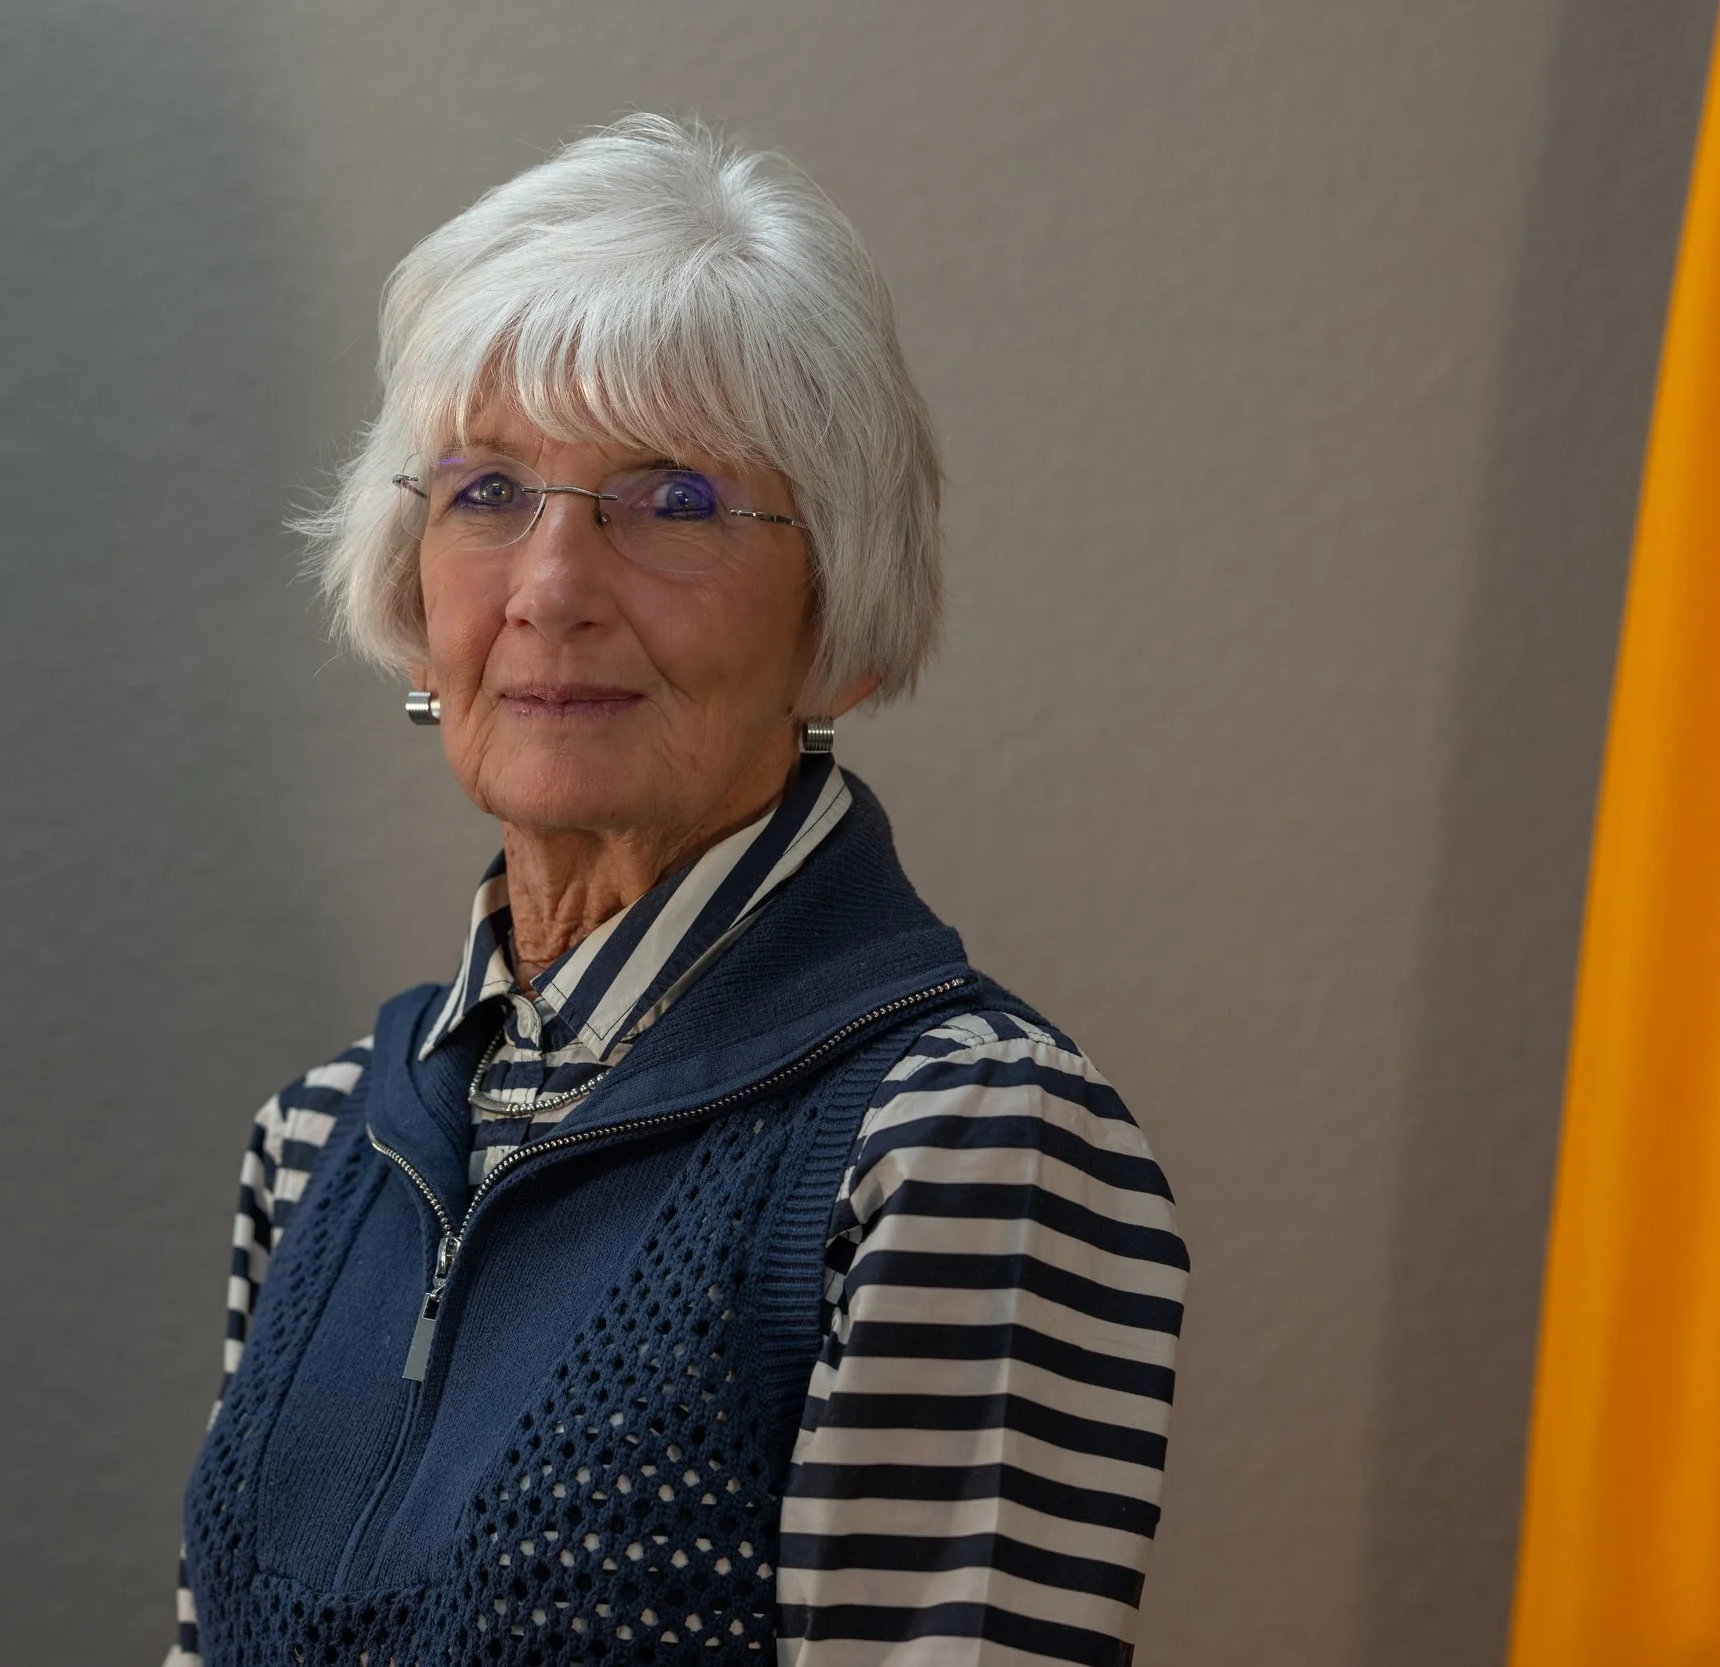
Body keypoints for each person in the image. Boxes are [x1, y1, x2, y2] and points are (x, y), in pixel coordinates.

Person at [170, 114, 1185, 1666]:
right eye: (489, 491)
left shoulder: (964, 1141)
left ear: (835, 607)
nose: (553, 588)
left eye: (677, 501)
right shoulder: (318, 1140)